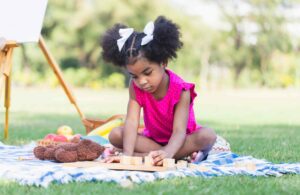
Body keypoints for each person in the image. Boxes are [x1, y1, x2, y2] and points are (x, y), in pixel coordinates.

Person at [100, 16, 216, 165]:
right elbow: (132, 121)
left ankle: (150, 156)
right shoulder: (135, 87)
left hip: (181, 141)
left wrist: (167, 152)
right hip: (153, 141)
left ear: (163, 62)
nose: (141, 81)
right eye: (134, 76)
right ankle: (173, 157)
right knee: (116, 135)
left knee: (207, 135)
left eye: (147, 73)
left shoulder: (181, 90)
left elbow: (179, 131)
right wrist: (127, 157)